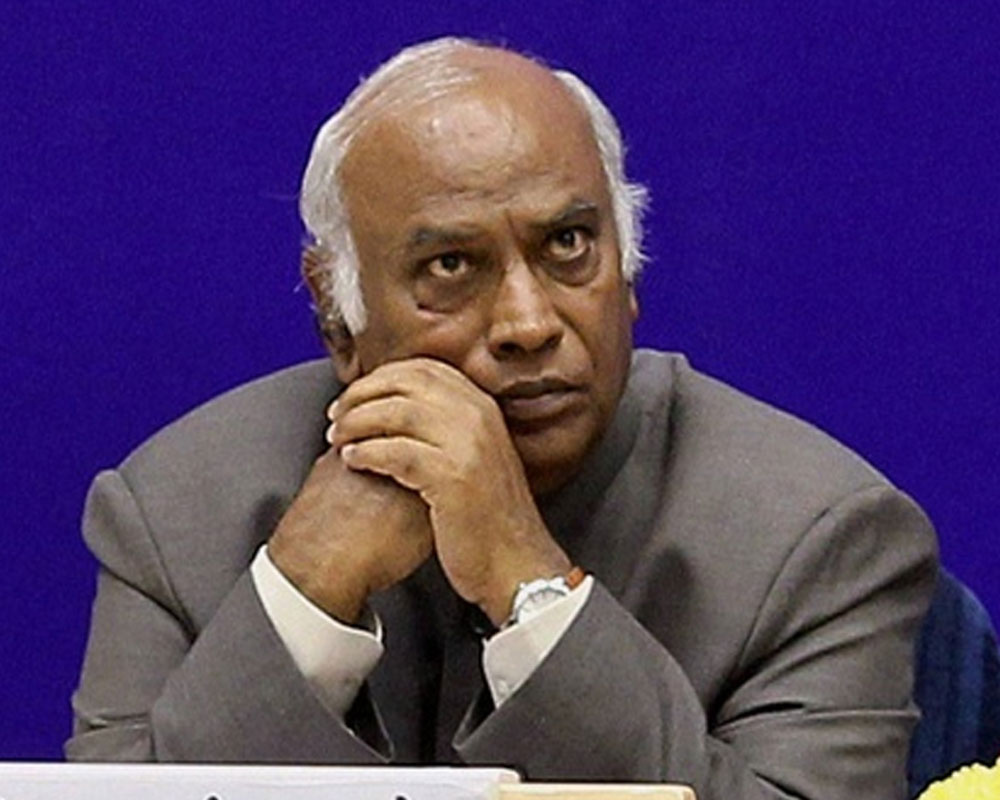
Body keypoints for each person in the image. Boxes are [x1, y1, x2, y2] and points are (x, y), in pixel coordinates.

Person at [68, 37, 937, 800]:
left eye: (568, 246)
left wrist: (530, 585)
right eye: (452, 265)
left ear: (629, 278)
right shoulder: (174, 512)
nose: (528, 323)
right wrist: (303, 596)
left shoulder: (818, 539)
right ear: (338, 319)